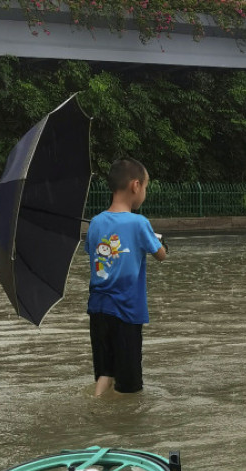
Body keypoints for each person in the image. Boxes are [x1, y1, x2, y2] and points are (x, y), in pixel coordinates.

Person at [85, 157, 167, 396]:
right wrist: (162, 242)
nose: (145, 193)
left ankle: (96, 407)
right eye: (146, 187)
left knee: (105, 374)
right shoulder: (140, 223)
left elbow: (93, 252)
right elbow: (161, 255)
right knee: (130, 386)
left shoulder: (96, 223)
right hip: (127, 312)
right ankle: (130, 428)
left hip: (98, 309)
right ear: (135, 186)